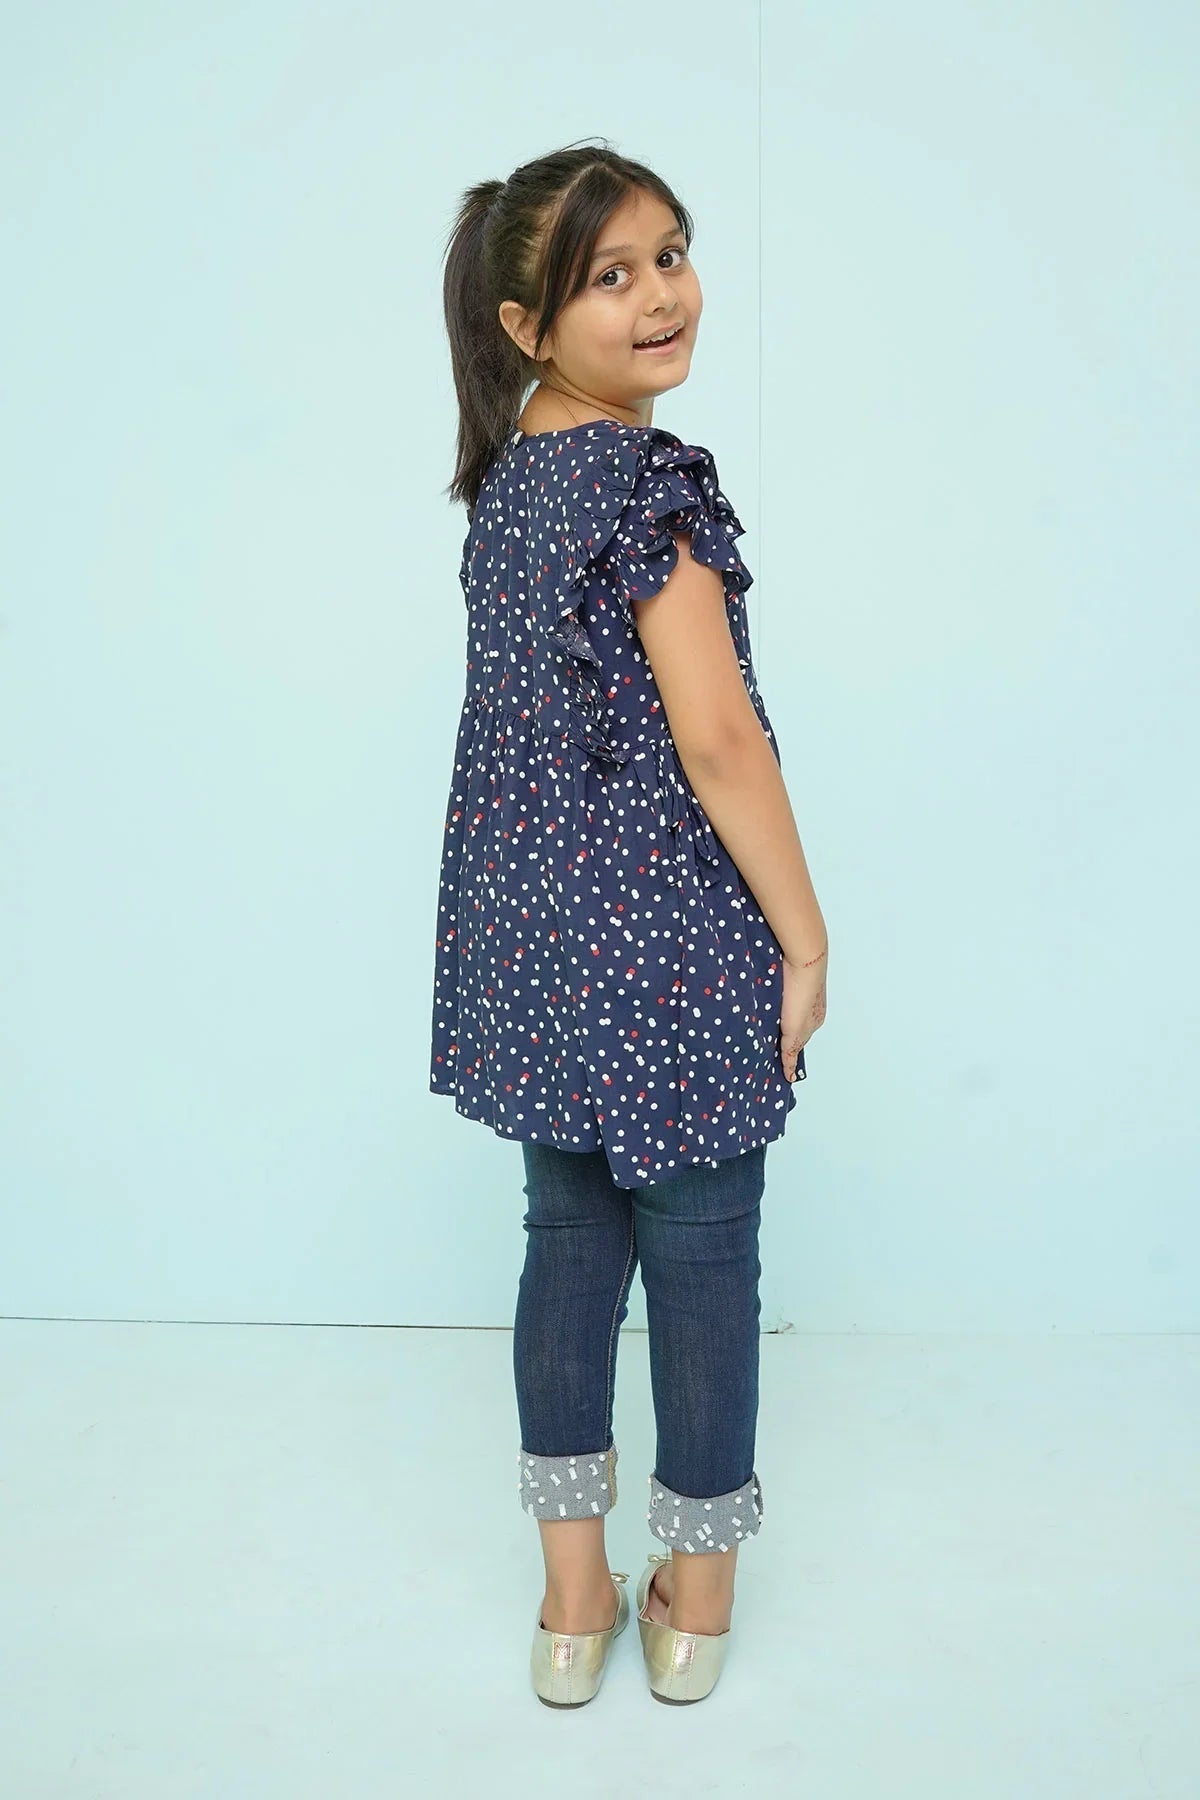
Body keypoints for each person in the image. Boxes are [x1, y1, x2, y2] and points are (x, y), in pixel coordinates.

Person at [430, 140, 828, 1705]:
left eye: (671, 253)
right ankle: (697, 1609)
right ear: (527, 325)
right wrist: (804, 938)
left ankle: (570, 1604)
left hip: (533, 944)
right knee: (706, 1258)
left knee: (568, 1251)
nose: (662, 294)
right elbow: (717, 742)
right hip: (668, 946)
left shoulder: (508, 486)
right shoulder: (648, 486)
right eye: (612, 275)